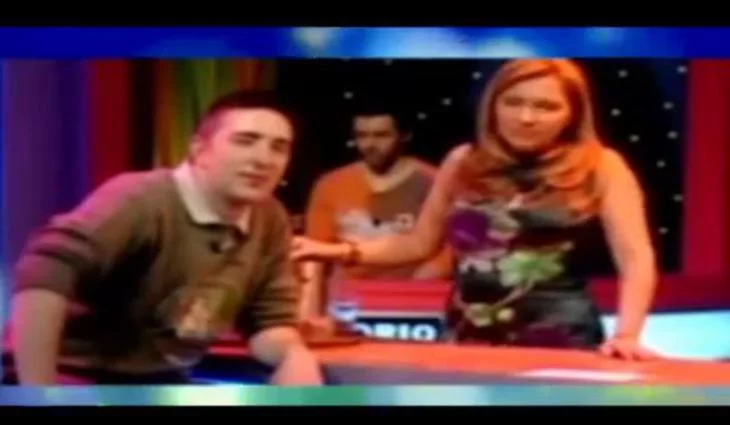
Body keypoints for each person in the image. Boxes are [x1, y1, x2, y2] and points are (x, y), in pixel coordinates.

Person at [291, 59, 659, 360]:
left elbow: (635, 259)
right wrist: (335, 251)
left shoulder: (601, 166)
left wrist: (627, 335)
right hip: (467, 335)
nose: (526, 117)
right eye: (513, 102)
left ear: (572, 114)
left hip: (560, 339)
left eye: (546, 106)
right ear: (492, 106)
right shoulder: (463, 161)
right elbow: (418, 244)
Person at [5, 91, 324, 385]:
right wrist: (38, 392)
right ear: (199, 149)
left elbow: (268, 321)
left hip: (162, 377)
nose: (263, 159)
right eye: (245, 141)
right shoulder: (143, 198)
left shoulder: (269, 218)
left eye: (279, 147)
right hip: (75, 371)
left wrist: (293, 354)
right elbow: (46, 269)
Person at [299, 101, 452, 320]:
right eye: (361, 135)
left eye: (381, 135)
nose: (369, 144)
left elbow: (451, 252)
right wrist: (308, 313)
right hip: (346, 305)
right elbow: (313, 258)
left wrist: (420, 283)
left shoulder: (435, 183)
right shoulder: (330, 184)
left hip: (413, 305)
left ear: (404, 136)